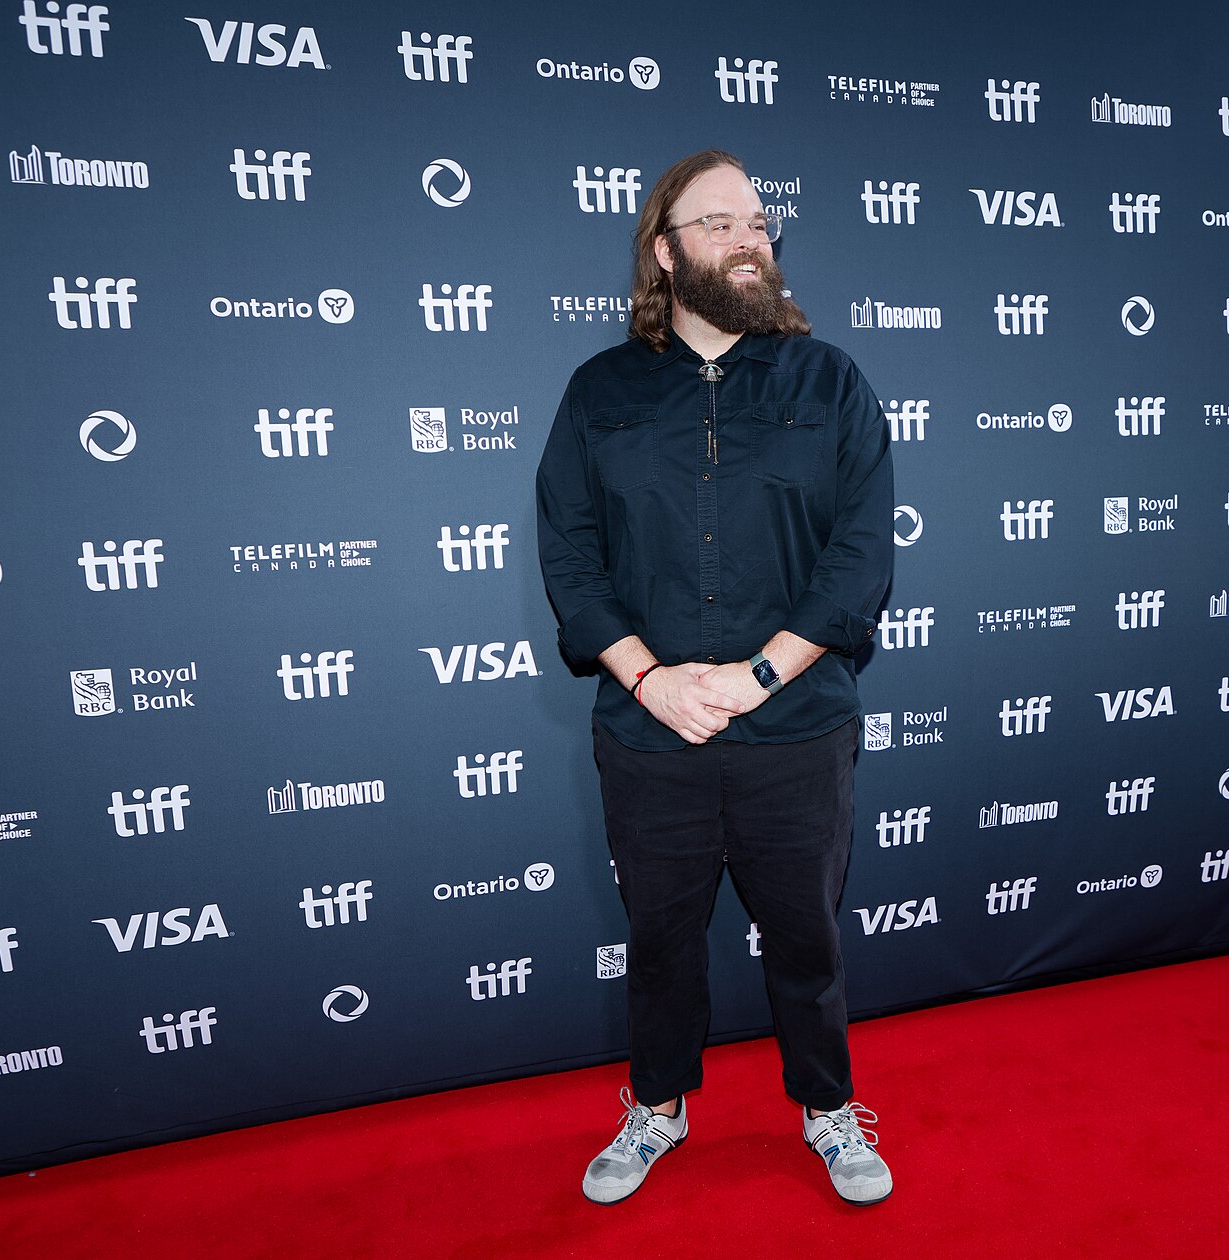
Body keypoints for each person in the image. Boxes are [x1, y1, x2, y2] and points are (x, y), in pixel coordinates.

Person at [535, 150, 895, 1206]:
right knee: (658, 941)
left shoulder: (829, 381)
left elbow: (861, 556)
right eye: (720, 220)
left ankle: (828, 1108)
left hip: (798, 725)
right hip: (650, 735)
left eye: (758, 220)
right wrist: (652, 682)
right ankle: (657, 1106)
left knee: (808, 939)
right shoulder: (598, 391)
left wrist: (757, 675)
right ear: (665, 248)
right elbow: (569, 555)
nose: (750, 236)